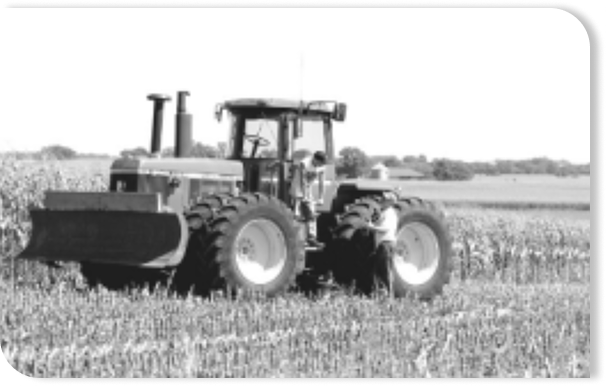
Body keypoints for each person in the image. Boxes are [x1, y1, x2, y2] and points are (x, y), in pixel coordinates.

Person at [290, 150, 327, 248]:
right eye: (319, 163)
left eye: (321, 164)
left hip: (308, 190)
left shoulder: (321, 166)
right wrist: (303, 196)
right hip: (298, 189)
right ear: (315, 159)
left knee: (312, 214)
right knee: (297, 214)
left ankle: (312, 239)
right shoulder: (305, 163)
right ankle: (294, 238)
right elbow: (302, 180)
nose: (319, 166)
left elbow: (321, 183)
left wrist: (321, 197)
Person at [366, 191, 399, 296]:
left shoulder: (389, 213)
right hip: (383, 245)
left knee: (386, 270)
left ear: (389, 202)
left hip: (386, 244)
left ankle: (390, 295)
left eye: (384, 199)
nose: (381, 200)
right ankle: (381, 292)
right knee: (378, 270)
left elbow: (385, 228)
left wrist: (372, 227)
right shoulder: (385, 212)